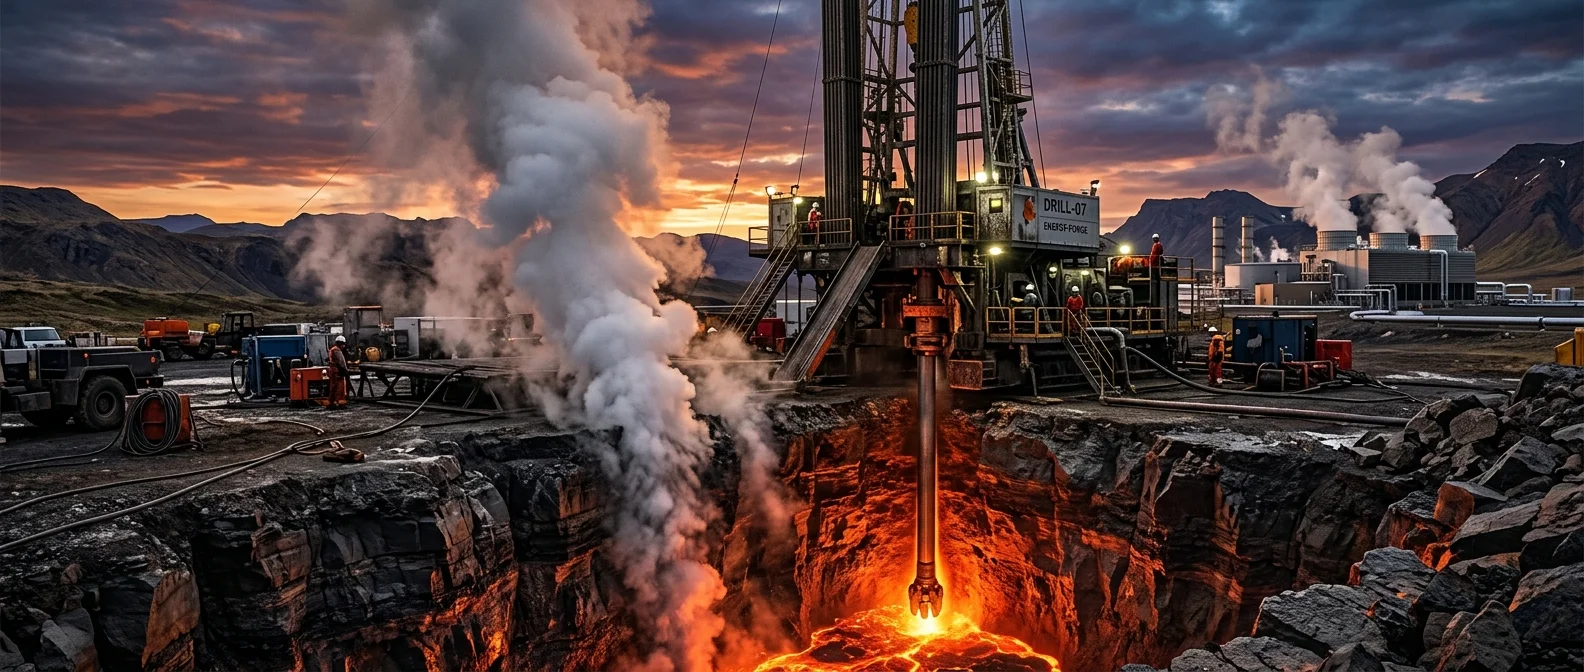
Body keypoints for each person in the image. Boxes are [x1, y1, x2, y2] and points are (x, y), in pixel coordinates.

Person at [328, 335, 350, 408]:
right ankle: (340, 403)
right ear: (341, 343)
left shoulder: (332, 349)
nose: (343, 346)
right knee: (340, 388)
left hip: (333, 371)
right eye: (343, 344)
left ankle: (332, 403)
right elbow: (341, 362)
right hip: (338, 371)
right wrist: (345, 370)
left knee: (333, 387)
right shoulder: (337, 350)